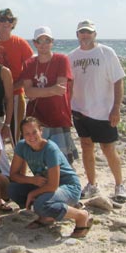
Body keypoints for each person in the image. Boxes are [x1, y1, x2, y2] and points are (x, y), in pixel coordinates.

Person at [68, 19, 126, 202]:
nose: (85, 35)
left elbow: (118, 80)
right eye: (81, 32)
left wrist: (116, 107)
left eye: (88, 32)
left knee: (108, 148)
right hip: (79, 110)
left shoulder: (106, 53)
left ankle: (119, 185)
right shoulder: (71, 57)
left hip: (103, 111)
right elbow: (69, 84)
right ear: (77, 35)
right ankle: (92, 184)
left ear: (95, 34)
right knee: (86, 146)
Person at [8, 117, 93, 238]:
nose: (31, 136)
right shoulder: (22, 147)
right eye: (27, 133)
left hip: (68, 186)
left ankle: (81, 215)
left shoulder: (50, 149)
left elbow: (53, 185)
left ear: (41, 131)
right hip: (44, 184)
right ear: (22, 135)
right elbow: (13, 175)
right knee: (13, 189)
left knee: (40, 203)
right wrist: (31, 180)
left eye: (34, 132)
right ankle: (47, 217)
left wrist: (32, 194)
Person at [20, 26, 78, 164]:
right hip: (37, 119)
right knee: (40, 159)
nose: (44, 44)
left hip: (59, 116)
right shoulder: (29, 63)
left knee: (63, 160)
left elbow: (61, 89)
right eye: (40, 41)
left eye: (47, 40)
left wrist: (38, 92)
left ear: (52, 42)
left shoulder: (61, 59)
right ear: (35, 43)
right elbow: (28, 92)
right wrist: (51, 90)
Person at [0, 8, 34, 144]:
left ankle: (20, 165)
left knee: (16, 135)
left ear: (12, 24)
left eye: (9, 21)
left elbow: (32, 68)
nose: (5, 24)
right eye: (2, 21)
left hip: (16, 93)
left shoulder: (20, 43)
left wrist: (15, 86)